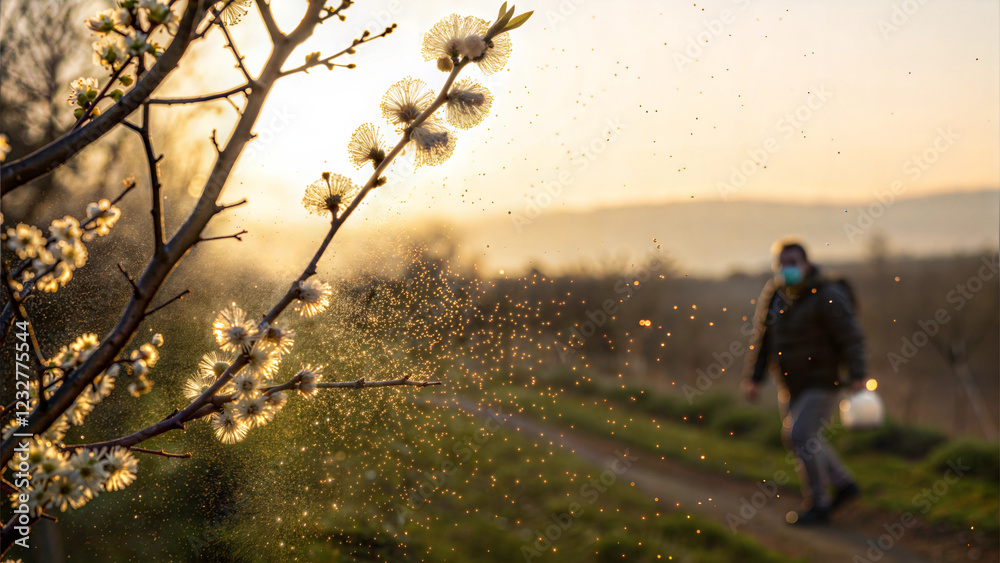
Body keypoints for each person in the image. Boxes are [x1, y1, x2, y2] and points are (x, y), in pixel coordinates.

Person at [742, 238, 865, 525]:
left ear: (807, 263)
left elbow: (851, 337)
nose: (787, 269)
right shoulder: (776, 293)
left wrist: (858, 376)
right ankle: (844, 484)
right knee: (805, 439)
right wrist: (754, 378)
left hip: (822, 381)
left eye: (793, 263)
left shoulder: (827, 294)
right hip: (790, 382)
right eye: (782, 263)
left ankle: (819, 502)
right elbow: (764, 339)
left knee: (799, 436)